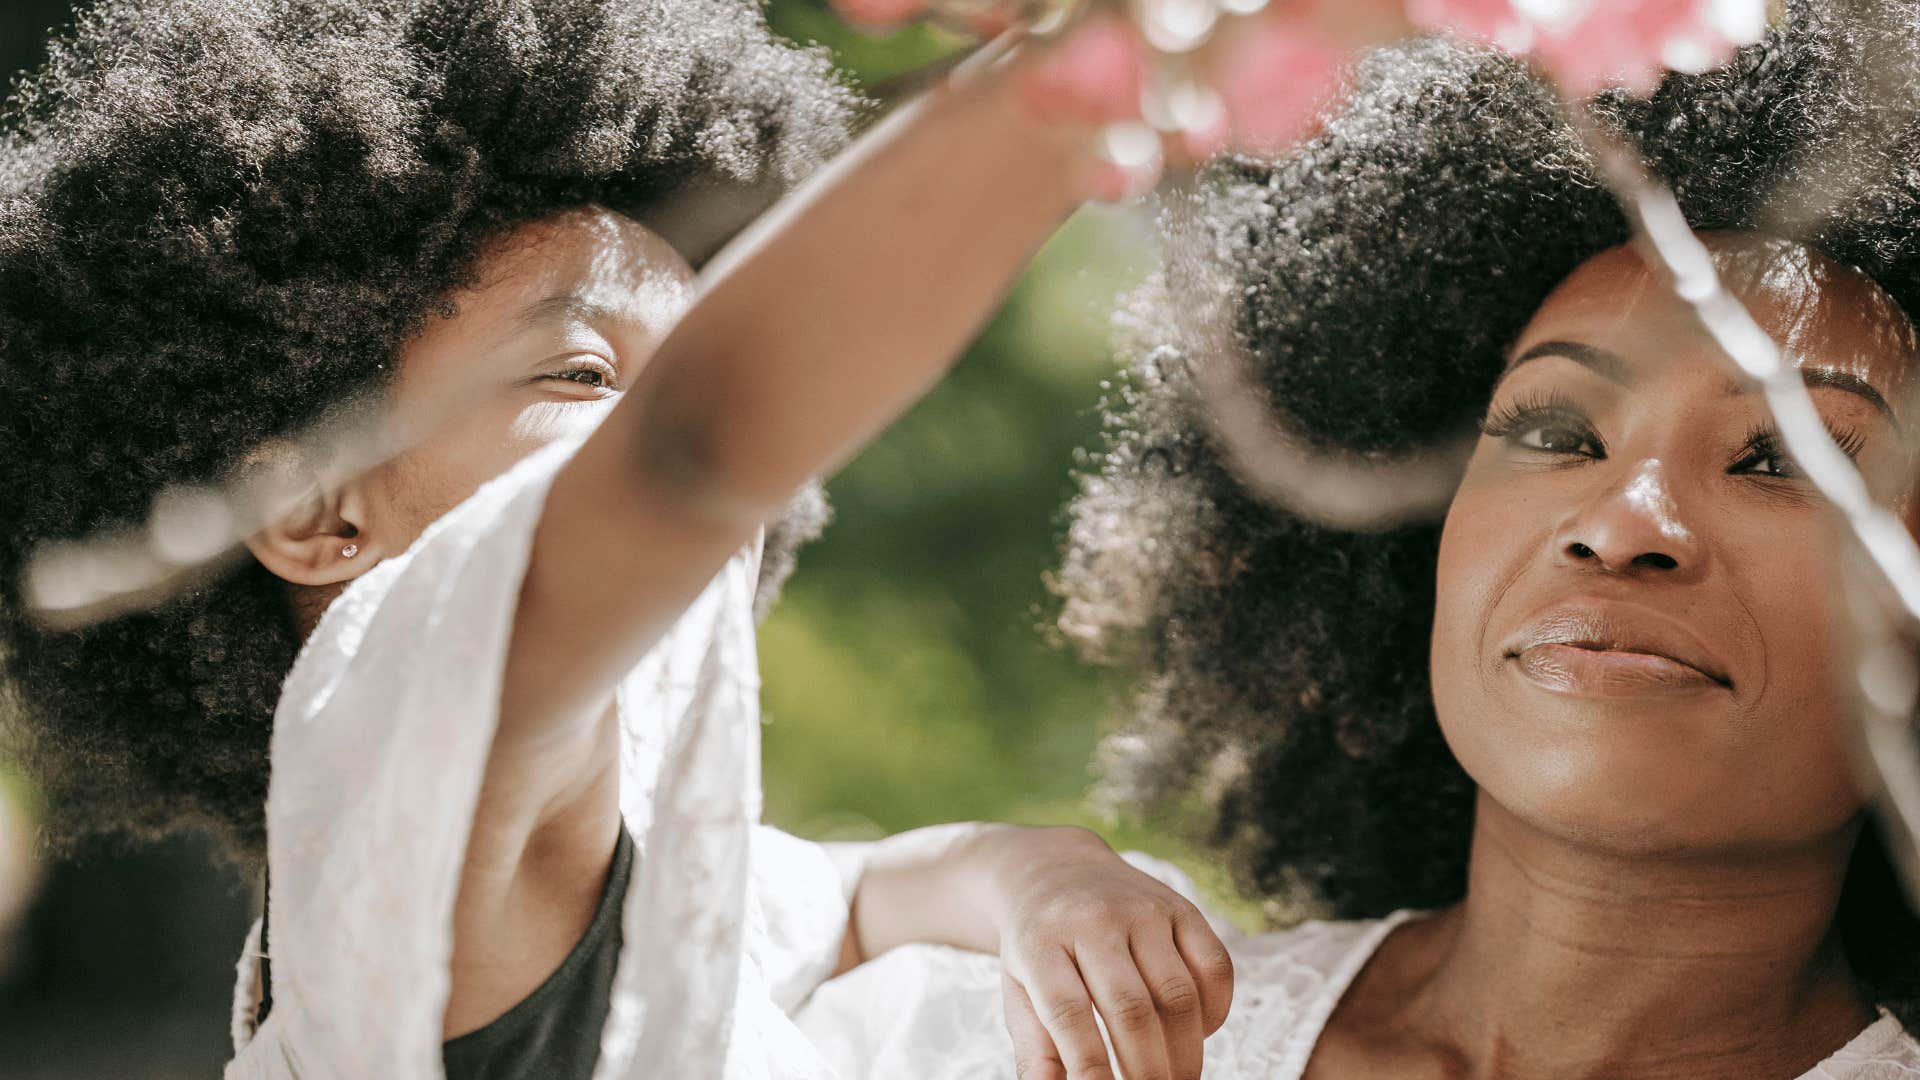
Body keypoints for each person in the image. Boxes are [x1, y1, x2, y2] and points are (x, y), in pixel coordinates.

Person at [0, 1, 1242, 1077]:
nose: (685, 421)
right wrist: (1103, 71)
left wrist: (1035, 871)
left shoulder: (621, 842)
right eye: (588, 370)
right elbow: (691, 456)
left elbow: (852, 893)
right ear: (321, 516)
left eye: (683, 358)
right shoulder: (399, 773)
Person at [796, 2, 1920, 1076]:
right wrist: (993, 870)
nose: (1623, 525)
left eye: (1783, 460)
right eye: (1556, 430)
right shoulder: (999, 1028)